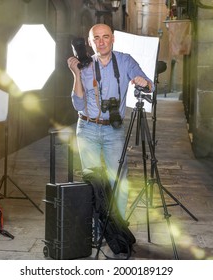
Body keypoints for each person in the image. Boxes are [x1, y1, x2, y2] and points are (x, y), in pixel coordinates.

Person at [67, 23, 154, 218]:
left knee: (119, 180)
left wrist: (143, 82)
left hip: (113, 130)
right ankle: (96, 229)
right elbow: (78, 105)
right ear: (90, 42)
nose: (101, 41)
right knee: (92, 181)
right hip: (87, 128)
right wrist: (76, 75)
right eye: (96, 38)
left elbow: (149, 85)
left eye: (105, 36)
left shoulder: (125, 61)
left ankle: (119, 229)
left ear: (113, 38)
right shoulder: (85, 65)